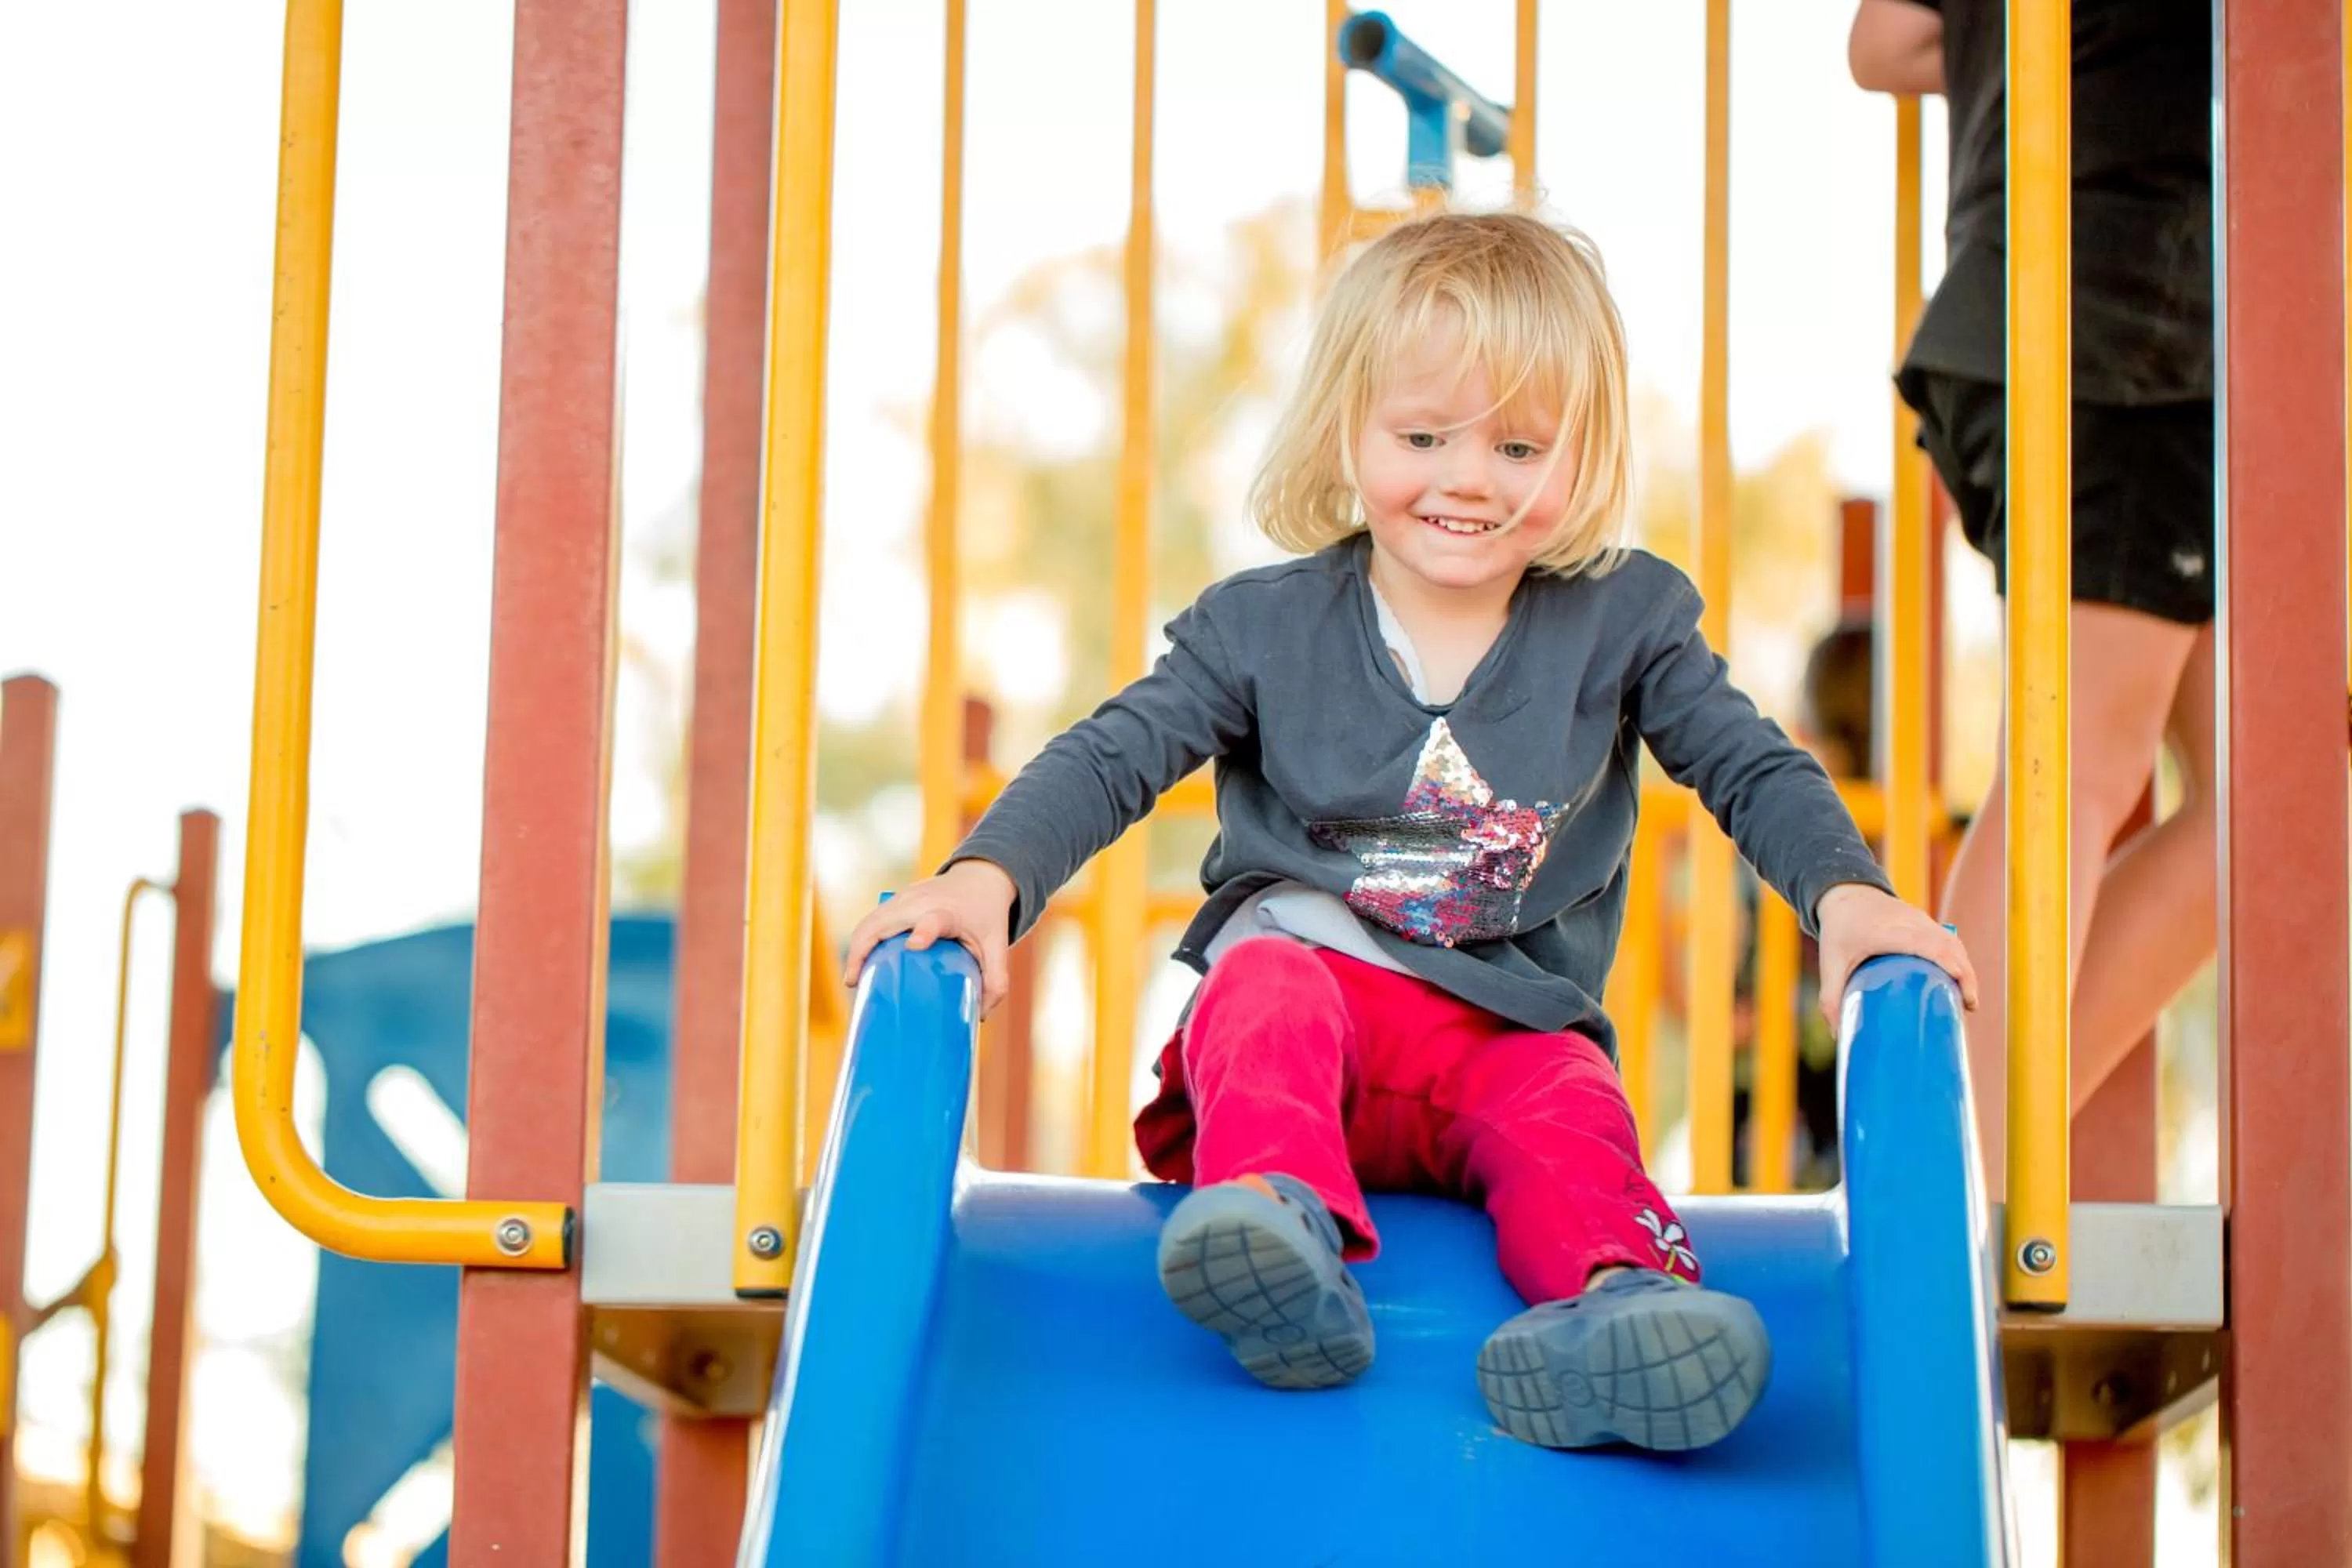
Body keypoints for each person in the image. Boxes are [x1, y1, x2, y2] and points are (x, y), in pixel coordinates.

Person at [841, 211, 1976, 1454]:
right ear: (1348, 429)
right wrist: (984, 879)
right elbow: (1114, 756)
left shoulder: (1623, 624)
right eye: (1423, 435)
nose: (1468, 478)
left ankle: (1615, 1310)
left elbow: (1749, 767)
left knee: (1570, 1108)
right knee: (1259, 986)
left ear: (1583, 450)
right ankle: (1277, 1232)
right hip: (1312, 1006)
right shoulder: (1264, 629)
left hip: (1506, 1034)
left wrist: (1849, 897)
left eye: (1519, 443)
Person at [1849, 1, 2216, 1183]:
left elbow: (1884, 40)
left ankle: (1972, 1151)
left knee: (2288, 796)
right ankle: (1939, 1186)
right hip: (2117, 326)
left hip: (2048, 308)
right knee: (2074, 776)